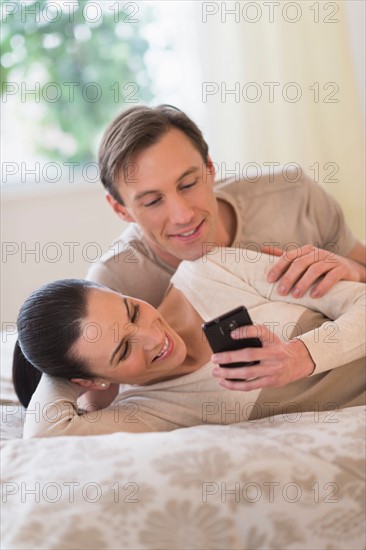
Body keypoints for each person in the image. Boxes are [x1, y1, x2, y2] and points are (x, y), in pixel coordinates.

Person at [87, 104, 366, 374]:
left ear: (209, 169)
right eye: (152, 201)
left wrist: (355, 271)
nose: (182, 215)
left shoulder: (294, 197)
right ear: (121, 209)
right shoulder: (114, 284)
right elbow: (79, 380)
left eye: (188, 184)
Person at [14, 248, 365, 438]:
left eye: (132, 311)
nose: (154, 338)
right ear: (89, 380)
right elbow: (47, 433)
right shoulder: (147, 411)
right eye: (123, 350)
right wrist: (56, 364)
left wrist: (300, 356)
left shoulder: (210, 270)